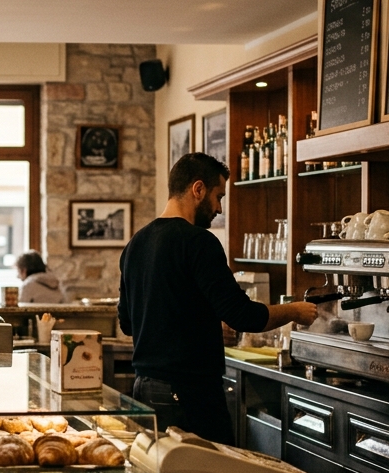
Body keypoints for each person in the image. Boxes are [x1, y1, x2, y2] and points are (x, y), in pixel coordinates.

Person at [118, 153, 316, 445]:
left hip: (144, 391)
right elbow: (244, 316)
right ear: (198, 189)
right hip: (188, 395)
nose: (220, 208)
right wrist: (294, 310)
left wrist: (203, 324)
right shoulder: (199, 242)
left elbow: (128, 324)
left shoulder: (136, 243)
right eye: (218, 196)